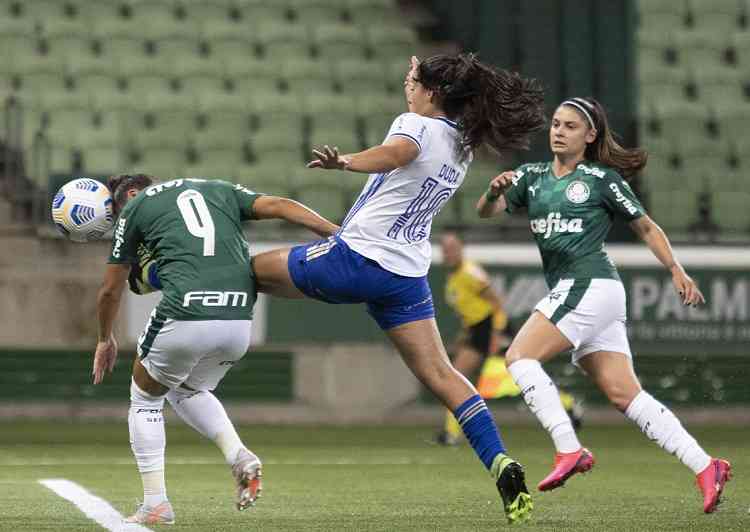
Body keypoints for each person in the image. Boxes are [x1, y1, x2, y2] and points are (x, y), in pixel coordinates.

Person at [249, 53, 547, 524]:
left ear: (433, 93)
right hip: (405, 275)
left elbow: (397, 152)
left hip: (358, 258)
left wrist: (346, 161)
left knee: (250, 271)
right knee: (443, 375)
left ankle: (157, 278)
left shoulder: (416, 125)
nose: (406, 86)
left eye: (412, 80)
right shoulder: (462, 146)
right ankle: (499, 461)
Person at [476, 96, 731, 513]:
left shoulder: (601, 179)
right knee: (624, 394)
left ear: (590, 135)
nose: (558, 131)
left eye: (570, 126)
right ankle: (706, 466)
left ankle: (568, 448)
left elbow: (646, 227)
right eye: (556, 124)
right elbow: (487, 211)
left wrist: (675, 269)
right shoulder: (531, 176)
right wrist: (493, 191)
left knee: (520, 357)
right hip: (597, 293)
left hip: (589, 282)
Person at [92, 174, 339, 524]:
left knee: (145, 398)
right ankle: (238, 455)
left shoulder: (135, 208)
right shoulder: (219, 189)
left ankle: (155, 504)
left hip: (186, 313)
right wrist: (333, 231)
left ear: (131, 194)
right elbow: (281, 205)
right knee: (189, 388)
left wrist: (105, 338)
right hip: (239, 319)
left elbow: (109, 291)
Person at [436, 232, 583, 446]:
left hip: (493, 328)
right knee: (454, 377)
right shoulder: (453, 277)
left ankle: (567, 403)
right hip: (477, 331)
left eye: (453, 248)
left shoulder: (471, 273)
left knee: (518, 381)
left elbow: (497, 303)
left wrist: (497, 335)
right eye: (445, 249)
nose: (449, 253)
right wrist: (464, 336)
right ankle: (450, 433)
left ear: (461, 249)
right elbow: (468, 311)